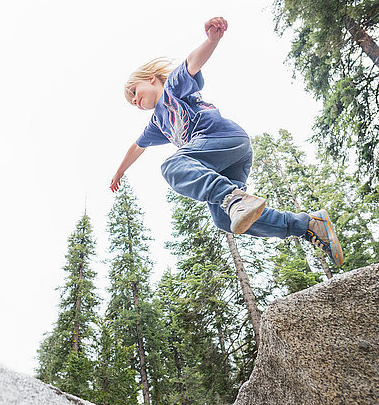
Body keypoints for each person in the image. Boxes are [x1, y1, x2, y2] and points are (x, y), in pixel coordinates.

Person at [109, 16, 344, 267]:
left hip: (222, 138)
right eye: (131, 101)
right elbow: (137, 147)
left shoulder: (172, 90)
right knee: (223, 220)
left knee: (172, 166)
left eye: (135, 92)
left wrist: (212, 40)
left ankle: (234, 199)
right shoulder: (157, 124)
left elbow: (191, 64)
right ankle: (307, 225)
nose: (135, 100)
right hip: (226, 162)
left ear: (152, 79)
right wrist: (118, 173)